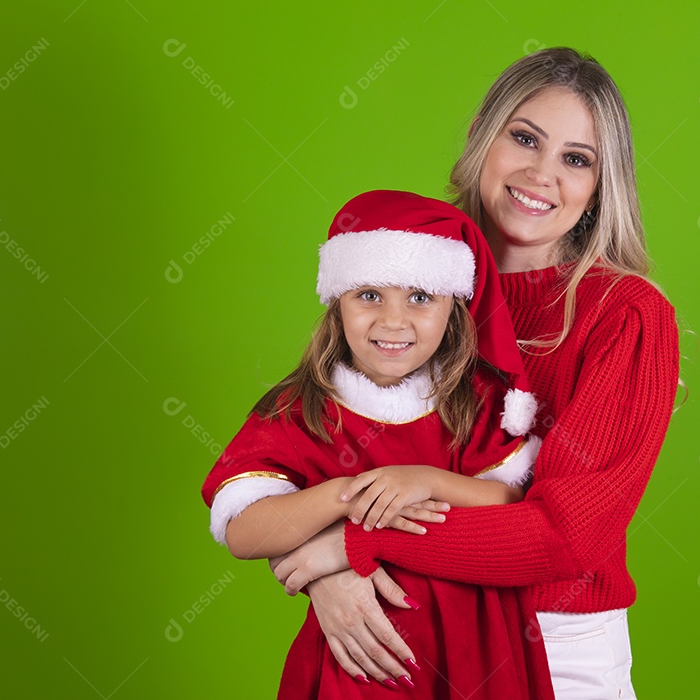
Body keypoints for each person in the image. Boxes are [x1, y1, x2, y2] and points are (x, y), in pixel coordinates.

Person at [266, 48, 682, 700]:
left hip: (553, 642)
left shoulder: (627, 316)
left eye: (577, 159)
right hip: (395, 628)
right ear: (481, 137)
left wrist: (359, 543)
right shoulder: (408, 277)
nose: (542, 174)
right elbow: (302, 464)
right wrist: (332, 573)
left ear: (602, 186)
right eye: (524, 138)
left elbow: (564, 537)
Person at [201, 190, 555, 699]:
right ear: (336, 302)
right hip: (364, 666)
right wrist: (348, 495)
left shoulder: (473, 402)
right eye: (369, 295)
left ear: (453, 307)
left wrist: (424, 482)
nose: (393, 321)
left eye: (419, 297)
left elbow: (511, 504)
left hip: (478, 650)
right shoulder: (299, 411)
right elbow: (244, 534)